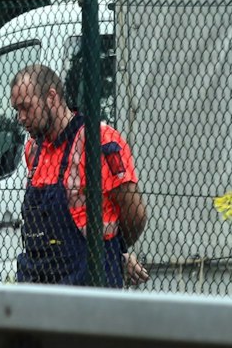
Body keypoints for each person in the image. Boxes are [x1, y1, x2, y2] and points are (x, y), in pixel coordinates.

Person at [8, 63, 148, 287]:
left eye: (26, 107)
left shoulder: (99, 140)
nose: (21, 117)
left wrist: (113, 252)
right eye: (17, 110)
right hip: (39, 285)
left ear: (51, 97)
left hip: (87, 287)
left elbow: (136, 214)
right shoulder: (32, 150)